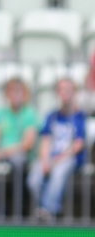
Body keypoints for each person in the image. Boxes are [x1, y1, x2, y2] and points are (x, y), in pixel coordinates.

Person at [27, 78, 86, 221]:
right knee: (34, 177)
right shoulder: (51, 116)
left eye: (68, 90)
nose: (65, 93)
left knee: (58, 173)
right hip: (51, 157)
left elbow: (78, 145)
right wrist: (45, 159)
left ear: (75, 93)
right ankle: (42, 209)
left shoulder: (80, 117)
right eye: (61, 90)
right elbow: (45, 140)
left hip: (69, 158)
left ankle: (48, 211)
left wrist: (59, 159)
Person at [0, 77, 39, 216]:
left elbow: (27, 144)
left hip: (18, 156)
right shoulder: (0, 113)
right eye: (11, 91)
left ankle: (18, 213)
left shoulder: (30, 113)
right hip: (0, 155)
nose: (15, 95)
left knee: (18, 162)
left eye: (19, 91)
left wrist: (1, 154)